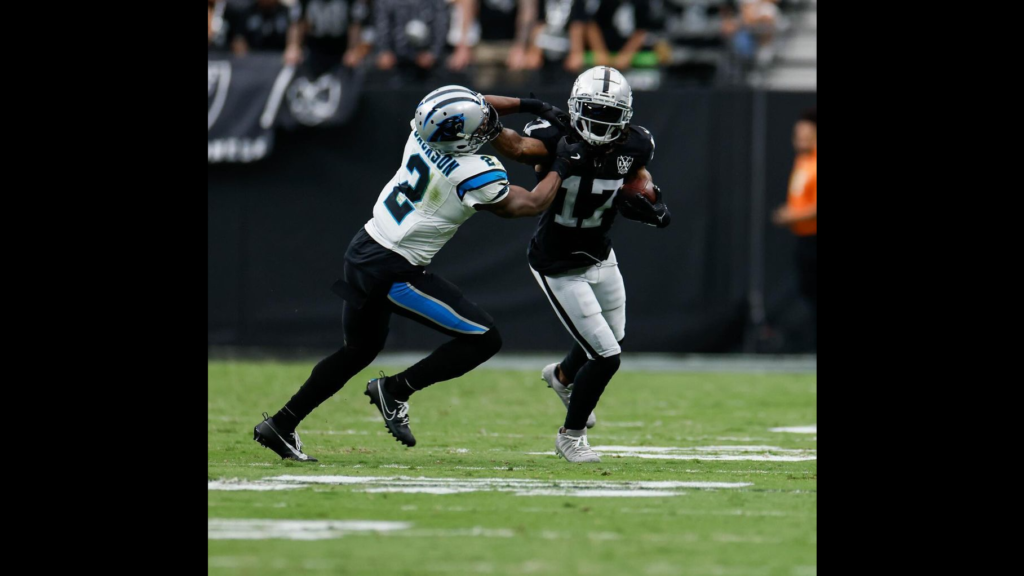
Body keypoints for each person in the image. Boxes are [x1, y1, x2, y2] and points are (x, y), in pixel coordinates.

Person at [253, 85, 590, 461]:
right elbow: (530, 203)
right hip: (394, 270)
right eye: (478, 130)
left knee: (357, 350)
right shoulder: (474, 172)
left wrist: (533, 104)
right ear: (461, 140)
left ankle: (281, 424)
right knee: (484, 339)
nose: (486, 129)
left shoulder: (422, 127)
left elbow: (468, 105)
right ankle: (396, 389)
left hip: (364, 246)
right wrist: (565, 163)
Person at [484, 67, 672, 463]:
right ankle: (570, 437)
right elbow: (518, 147)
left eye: (610, 112)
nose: (601, 121)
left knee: (611, 338)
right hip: (557, 262)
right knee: (606, 355)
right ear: (575, 107)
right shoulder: (555, 138)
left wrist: (650, 201)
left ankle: (563, 377)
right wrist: (488, 124)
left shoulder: (637, 143)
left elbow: (638, 177)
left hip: (601, 254)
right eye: (592, 110)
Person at [772, 108, 816, 349]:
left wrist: (792, 215)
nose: (798, 139)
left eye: (804, 134)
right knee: (807, 292)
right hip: (804, 237)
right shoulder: (803, 160)